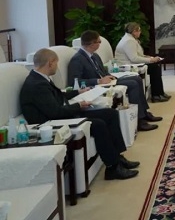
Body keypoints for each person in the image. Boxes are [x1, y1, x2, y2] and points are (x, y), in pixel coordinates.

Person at [20, 48, 140, 180]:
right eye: (56, 63)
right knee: (98, 124)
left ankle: (117, 157)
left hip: (59, 113)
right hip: (50, 123)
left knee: (110, 114)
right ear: (50, 63)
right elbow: (55, 112)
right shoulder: (37, 85)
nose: (57, 67)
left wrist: (78, 92)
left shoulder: (40, 78)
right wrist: (79, 106)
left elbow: (57, 96)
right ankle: (112, 167)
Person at [67, 30, 161, 132]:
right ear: (91, 44)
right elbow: (74, 82)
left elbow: (103, 72)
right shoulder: (77, 59)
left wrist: (109, 76)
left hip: (107, 81)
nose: (100, 44)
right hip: (97, 87)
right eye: (99, 42)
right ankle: (140, 121)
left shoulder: (94, 55)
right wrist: (98, 81)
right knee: (133, 84)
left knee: (137, 78)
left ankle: (144, 113)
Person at [114, 22, 171, 103]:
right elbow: (134, 58)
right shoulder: (128, 41)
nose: (140, 32)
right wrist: (150, 60)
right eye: (139, 30)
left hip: (131, 63)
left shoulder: (130, 39)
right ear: (134, 31)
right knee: (154, 68)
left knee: (155, 66)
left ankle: (159, 93)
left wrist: (148, 57)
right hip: (127, 66)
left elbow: (137, 54)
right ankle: (156, 95)